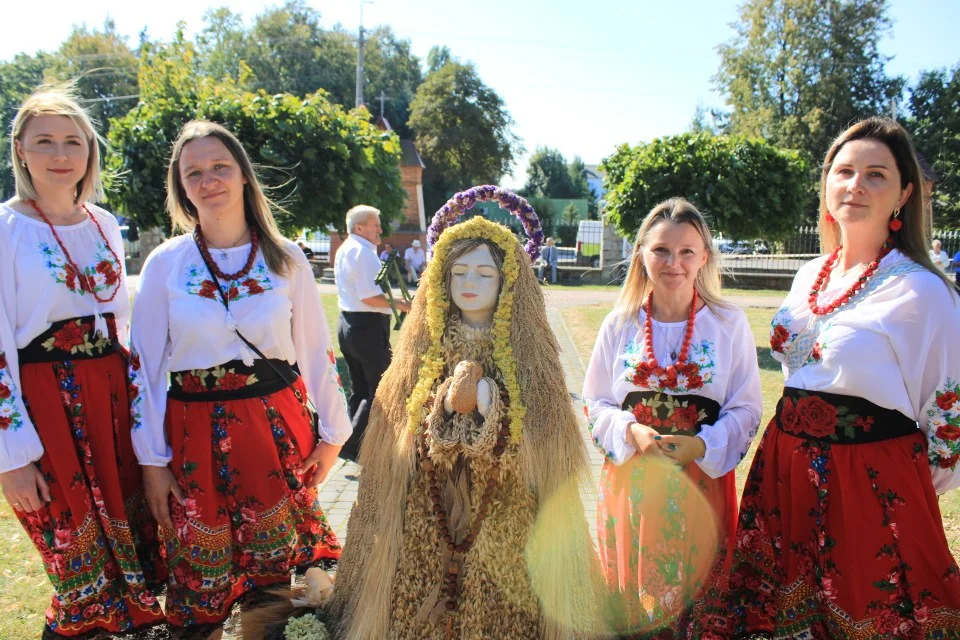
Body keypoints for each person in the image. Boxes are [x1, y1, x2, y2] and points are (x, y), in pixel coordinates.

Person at [327, 190, 602, 639]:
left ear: (507, 281)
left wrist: (491, 403)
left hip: (506, 506)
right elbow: (400, 421)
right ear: (442, 278)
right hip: (428, 501)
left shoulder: (529, 351)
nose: (468, 282)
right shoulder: (424, 345)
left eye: (483, 272)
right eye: (457, 272)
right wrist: (438, 411)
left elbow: (543, 432)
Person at [731, 117, 960, 637]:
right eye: (844, 171)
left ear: (904, 193)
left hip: (868, 484)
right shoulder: (809, 273)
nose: (855, 185)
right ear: (827, 184)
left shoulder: (925, 293)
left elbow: (947, 420)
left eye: (875, 175)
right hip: (785, 467)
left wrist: (899, 494)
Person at [129, 120, 352, 630]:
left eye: (220, 167)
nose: (209, 180)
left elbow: (317, 353)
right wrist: (152, 462)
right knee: (200, 580)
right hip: (192, 437)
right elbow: (145, 370)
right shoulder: (165, 264)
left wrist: (334, 436)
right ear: (181, 188)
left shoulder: (286, 258)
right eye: (194, 173)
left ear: (244, 177)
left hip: (275, 430)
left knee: (276, 584)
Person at [0, 86, 165, 638]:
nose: (60, 153)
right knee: (77, 573)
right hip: (46, 406)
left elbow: (118, 322)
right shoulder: (5, 229)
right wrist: (12, 456)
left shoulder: (104, 224)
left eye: (73, 140)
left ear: (90, 150)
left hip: (113, 398)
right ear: (20, 149)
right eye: (44, 141)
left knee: (130, 565)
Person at [583, 197, 762, 639]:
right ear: (642, 252)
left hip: (701, 479)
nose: (673, 263)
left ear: (704, 256)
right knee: (637, 603)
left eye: (686, 251)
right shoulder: (619, 322)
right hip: (632, 481)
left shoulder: (728, 323)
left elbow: (747, 406)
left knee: (698, 599)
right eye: (661, 250)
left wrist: (703, 445)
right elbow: (596, 401)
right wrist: (630, 431)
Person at [334, 205, 411, 461]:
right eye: (375, 224)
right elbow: (369, 297)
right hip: (366, 327)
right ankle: (352, 445)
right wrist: (401, 304)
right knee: (380, 387)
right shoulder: (363, 252)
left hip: (348, 325)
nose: (380, 229)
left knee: (359, 389)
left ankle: (353, 444)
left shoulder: (346, 248)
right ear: (359, 228)